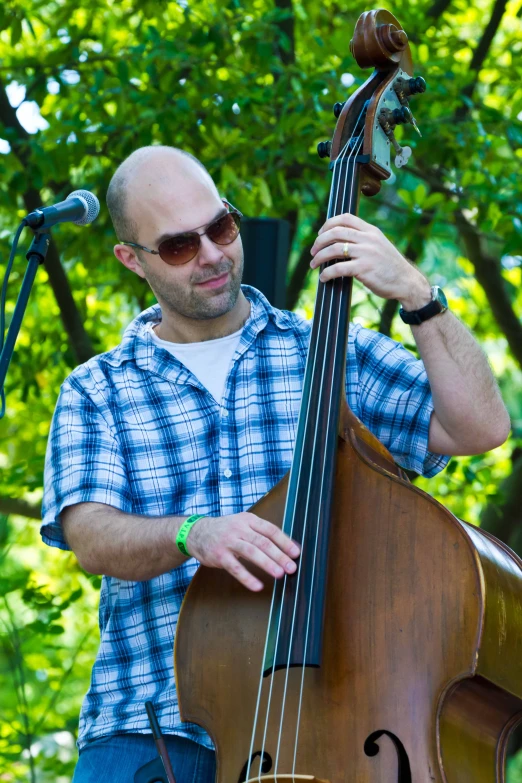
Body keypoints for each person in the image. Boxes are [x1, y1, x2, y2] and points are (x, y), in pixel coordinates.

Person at [41, 146, 510, 783]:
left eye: (222, 227)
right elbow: (90, 535)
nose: (211, 254)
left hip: (328, 724)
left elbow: (480, 427)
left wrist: (418, 296)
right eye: (179, 246)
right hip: (150, 726)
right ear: (132, 259)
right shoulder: (97, 389)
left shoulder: (331, 348)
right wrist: (193, 533)